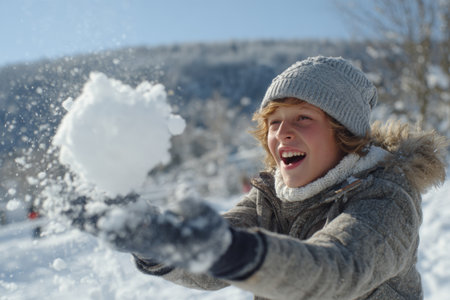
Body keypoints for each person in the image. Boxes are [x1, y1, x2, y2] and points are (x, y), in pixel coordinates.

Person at [80, 56, 447, 300]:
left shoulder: (385, 196)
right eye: (274, 121)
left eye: (303, 118)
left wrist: (242, 253)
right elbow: (213, 256)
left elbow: (338, 267)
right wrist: (154, 236)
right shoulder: (271, 195)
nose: (282, 133)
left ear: (343, 133)